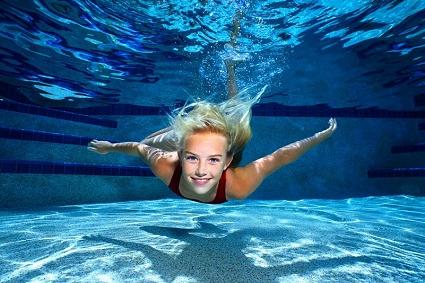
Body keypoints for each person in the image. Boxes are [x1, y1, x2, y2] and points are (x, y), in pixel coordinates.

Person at [87, 12, 337, 204]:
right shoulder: (166, 165)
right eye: (192, 158)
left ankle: (230, 66)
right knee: (154, 140)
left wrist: (320, 136)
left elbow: (280, 157)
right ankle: (194, 120)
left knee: (239, 112)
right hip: (185, 143)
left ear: (227, 161)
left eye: (214, 160)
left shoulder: (237, 185)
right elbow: (139, 147)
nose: (201, 172)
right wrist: (110, 147)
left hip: (222, 142)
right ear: (180, 155)